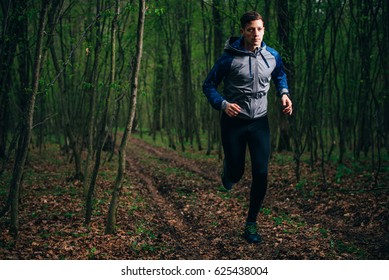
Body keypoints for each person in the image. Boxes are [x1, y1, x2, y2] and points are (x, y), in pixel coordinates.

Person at [202, 11, 292, 244]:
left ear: (264, 30)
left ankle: (251, 223)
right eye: (251, 29)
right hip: (233, 123)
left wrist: (283, 93)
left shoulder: (272, 56)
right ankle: (229, 170)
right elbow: (209, 85)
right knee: (237, 173)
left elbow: (279, 74)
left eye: (259, 29)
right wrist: (222, 104)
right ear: (242, 31)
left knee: (261, 173)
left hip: (260, 122)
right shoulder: (228, 59)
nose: (256, 34)